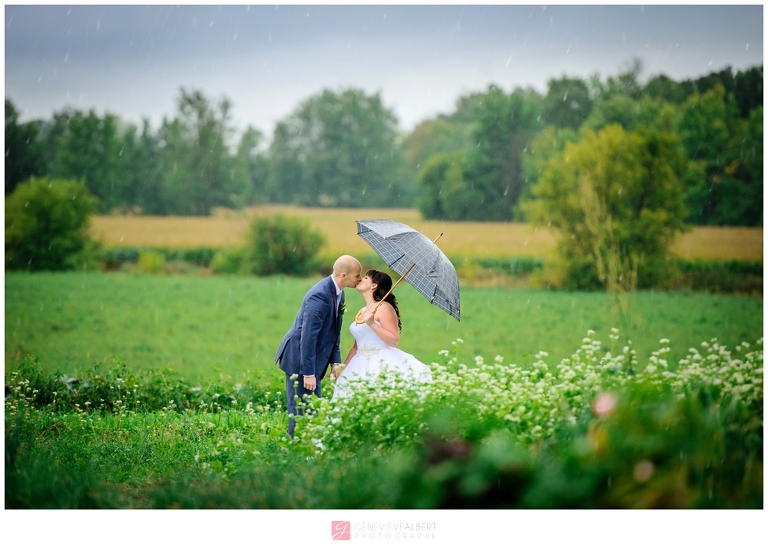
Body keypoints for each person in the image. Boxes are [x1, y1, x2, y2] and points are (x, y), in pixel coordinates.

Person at [275, 254, 362, 437]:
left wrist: (335, 362)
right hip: (299, 358)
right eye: (357, 275)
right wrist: (308, 372)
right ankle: (294, 450)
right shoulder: (320, 295)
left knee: (313, 406)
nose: (360, 279)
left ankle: (309, 450)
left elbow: (333, 332)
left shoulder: (339, 292)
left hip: (314, 359)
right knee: (299, 410)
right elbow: (308, 336)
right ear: (344, 275)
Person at [331, 268, 432, 401]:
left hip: (378, 361)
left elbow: (394, 340)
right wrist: (343, 367)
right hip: (358, 363)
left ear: (374, 285)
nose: (361, 279)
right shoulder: (363, 310)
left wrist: (372, 324)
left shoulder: (384, 307)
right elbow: (356, 346)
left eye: (366, 278)